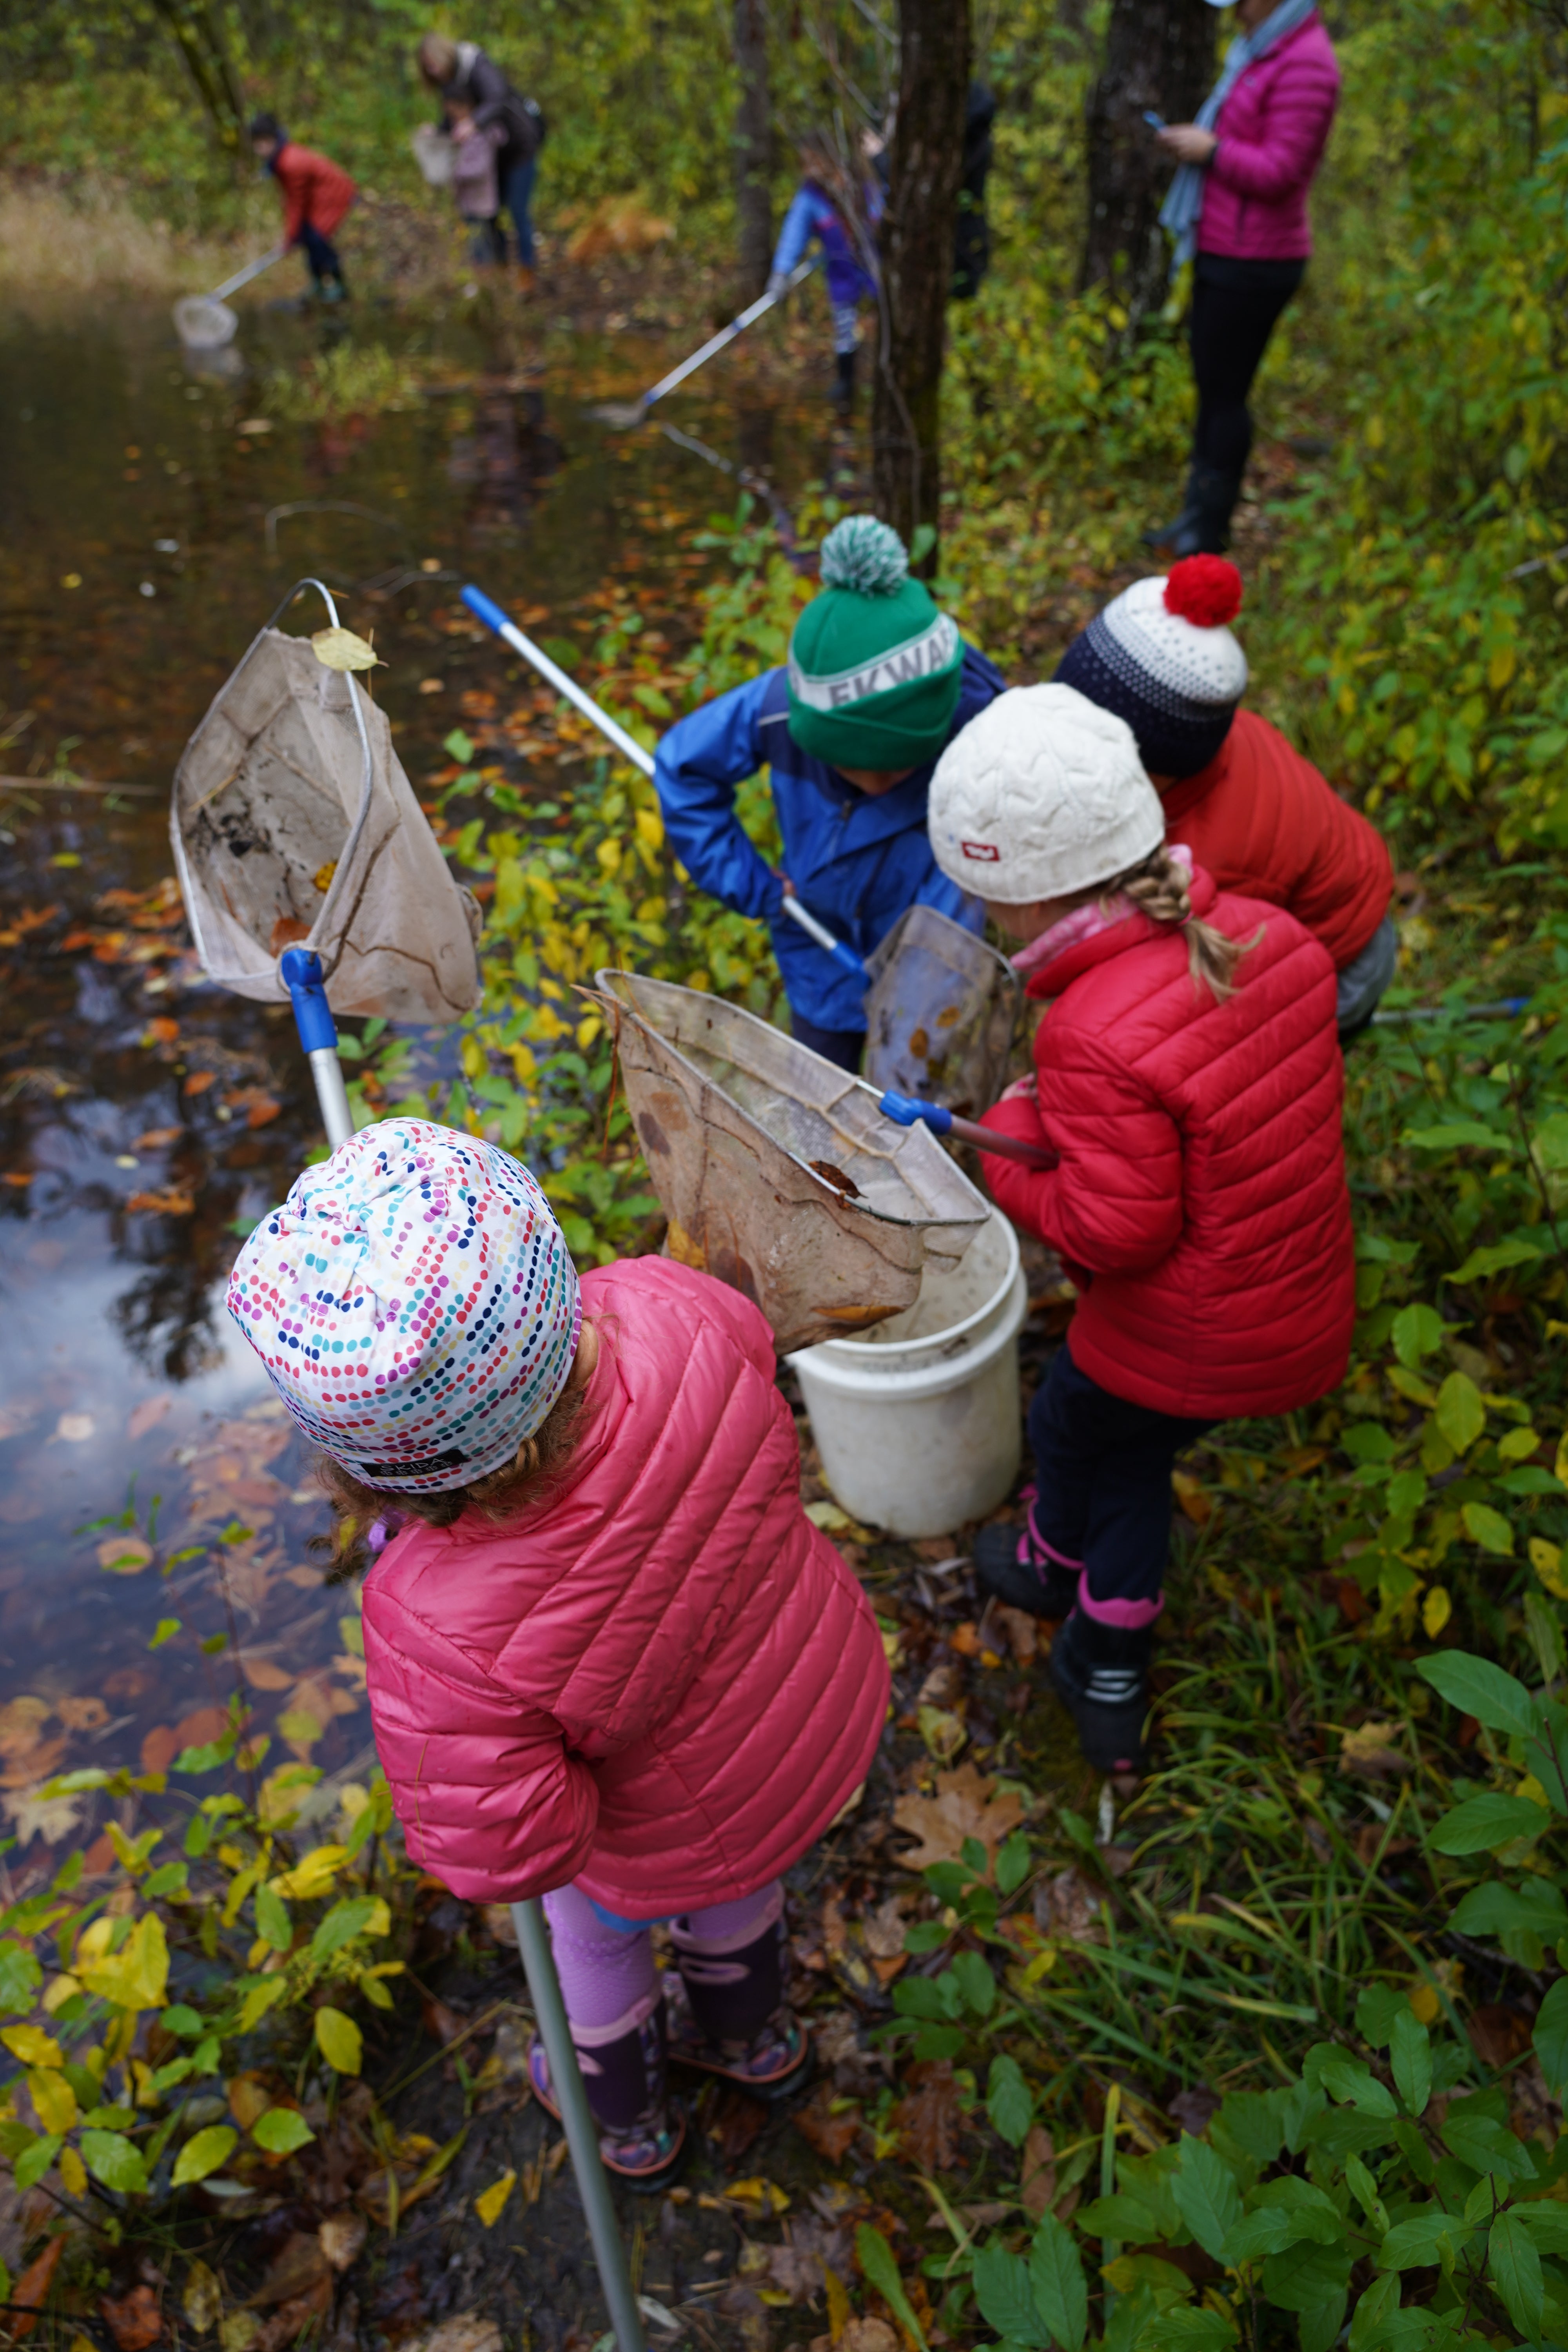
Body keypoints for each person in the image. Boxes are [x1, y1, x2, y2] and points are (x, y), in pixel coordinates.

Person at [226, 1120, 887, 2184]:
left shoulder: (430, 1619)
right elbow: (746, 1382)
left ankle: (626, 2115)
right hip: (801, 1711)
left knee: (592, 1932)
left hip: (659, 1829)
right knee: (740, 1884)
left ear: (371, 1469)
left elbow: (512, 1848)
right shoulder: (673, 1308)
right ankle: (751, 2037)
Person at [927, 685, 1354, 1773]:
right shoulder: (1273, 936)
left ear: (1029, 899)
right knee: (1103, 1435)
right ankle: (1055, 1553)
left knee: (1094, 1441)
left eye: (986, 897)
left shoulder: (1089, 1030)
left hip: (1191, 1338)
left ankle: (1103, 1650)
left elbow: (1112, 1235)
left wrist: (1009, 1140)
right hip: (1297, 1300)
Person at [655, 514, 1004, 1071]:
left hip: (928, 969)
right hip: (814, 948)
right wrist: (747, 881)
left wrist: (920, 1025)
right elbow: (683, 767)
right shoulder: (781, 710)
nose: (877, 783)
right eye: (850, 766)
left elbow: (955, 931)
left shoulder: (982, 744)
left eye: (895, 767)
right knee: (818, 1092)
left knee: (910, 1090)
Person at [1055, 554, 1396, 1035]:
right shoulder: (1208, 744)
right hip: (1342, 881)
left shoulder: (1208, 863)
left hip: (1343, 956)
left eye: (1092, 745)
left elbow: (1193, 973)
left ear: (1158, 761)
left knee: (1262, 1059)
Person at [1151, 0, 1341, 555]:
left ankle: (1209, 528)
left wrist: (1211, 151)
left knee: (1226, 393)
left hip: (1257, 260)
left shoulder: (1307, 63)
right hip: (1223, 246)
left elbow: (1282, 171)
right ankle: (1195, 517)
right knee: (1212, 387)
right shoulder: (1259, 52)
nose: (1234, 11)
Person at [417, 34, 544, 293]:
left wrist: (474, 123)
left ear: (441, 55)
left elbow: (498, 97)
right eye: (427, 68)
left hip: (518, 148)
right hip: (492, 159)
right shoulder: (449, 81)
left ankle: (527, 272)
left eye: (433, 64)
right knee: (490, 213)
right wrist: (439, 132)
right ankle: (499, 275)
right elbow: (454, 115)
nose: (433, 71)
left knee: (518, 210)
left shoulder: (476, 64)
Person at [767, 135, 881, 411]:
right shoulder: (810, 196)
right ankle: (846, 382)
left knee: (885, 318)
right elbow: (794, 233)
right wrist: (781, 272)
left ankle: (885, 376)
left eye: (814, 162)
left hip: (875, 265)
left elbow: (881, 211)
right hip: (841, 272)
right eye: (805, 164)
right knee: (845, 326)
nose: (810, 169)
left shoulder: (861, 182)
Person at [248, 114, 356, 305]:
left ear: (273, 139)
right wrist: (294, 234)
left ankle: (339, 287)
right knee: (307, 237)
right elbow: (292, 200)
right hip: (317, 198)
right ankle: (318, 284)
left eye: (263, 143)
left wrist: (290, 236)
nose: (260, 149)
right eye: (257, 144)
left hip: (333, 196)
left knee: (317, 238)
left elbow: (296, 202)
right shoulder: (279, 159)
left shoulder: (291, 162)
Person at [446, 96, 508, 262]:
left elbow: (479, 168)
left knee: (482, 240)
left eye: (456, 112)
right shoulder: (459, 132)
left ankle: (488, 269)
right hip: (468, 200)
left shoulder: (482, 134)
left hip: (481, 199)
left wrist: (453, 172)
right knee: (482, 235)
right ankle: (495, 265)